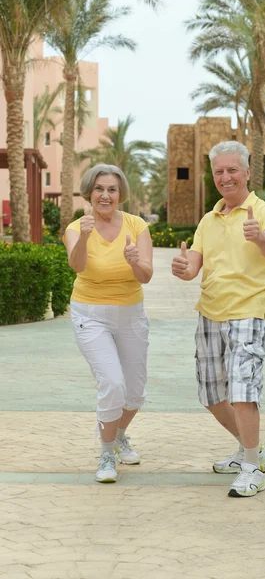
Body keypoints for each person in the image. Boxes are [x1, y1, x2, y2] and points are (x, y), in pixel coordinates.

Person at [172, 141, 265, 498]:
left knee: (242, 390)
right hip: (210, 312)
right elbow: (194, 267)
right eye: (219, 171)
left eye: (232, 169)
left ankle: (252, 468)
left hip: (251, 309)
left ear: (248, 172)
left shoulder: (264, 211)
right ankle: (252, 449)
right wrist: (183, 268)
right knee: (211, 394)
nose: (225, 177)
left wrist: (260, 236)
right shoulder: (208, 219)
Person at [64, 164, 153, 483]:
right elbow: (77, 266)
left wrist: (134, 262)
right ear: (89, 192)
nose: (105, 195)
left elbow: (146, 275)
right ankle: (105, 454)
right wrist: (85, 236)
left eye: (112, 189)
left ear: (120, 194)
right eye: (99, 189)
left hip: (130, 312)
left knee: (134, 393)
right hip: (90, 314)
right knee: (112, 383)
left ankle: (118, 435)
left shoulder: (137, 225)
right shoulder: (77, 228)